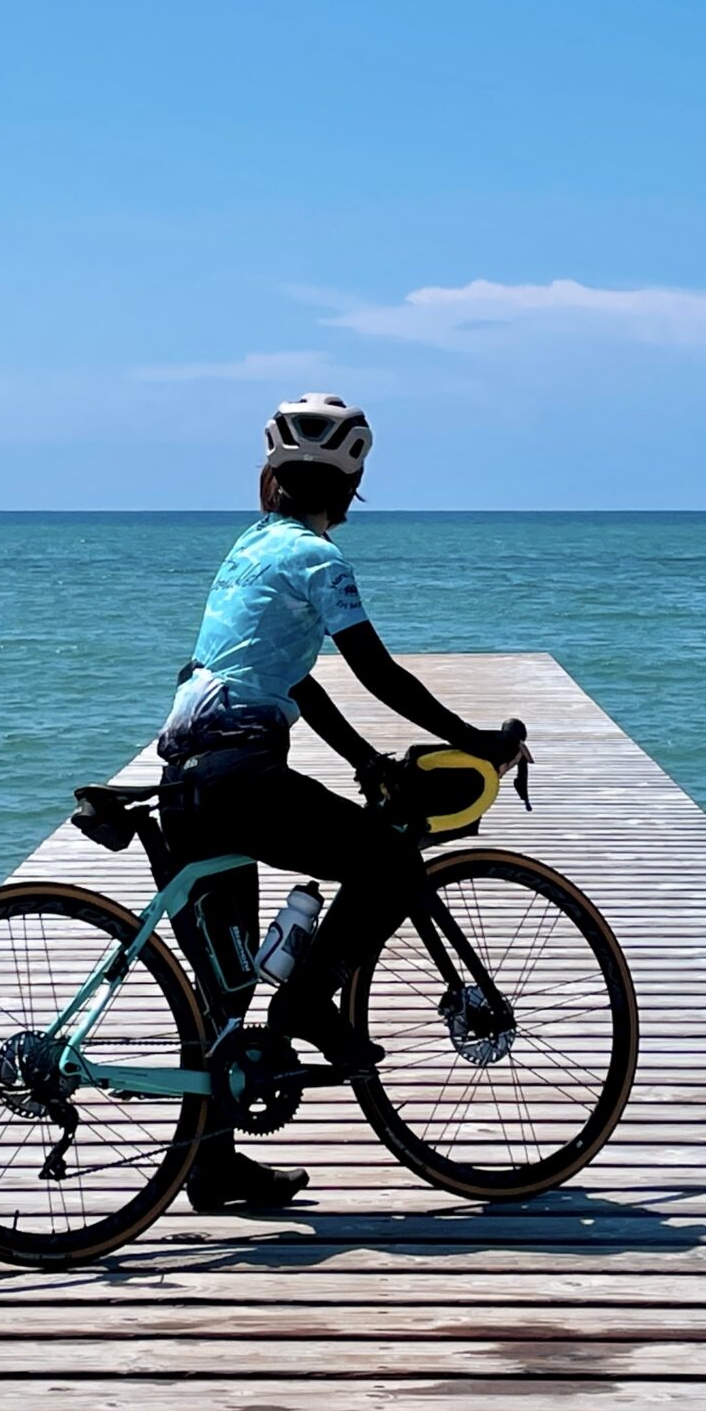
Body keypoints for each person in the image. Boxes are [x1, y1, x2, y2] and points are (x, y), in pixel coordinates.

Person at [157, 393, 524, 1212]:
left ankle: (211, 1168)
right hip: (240, 776)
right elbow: (376, 671)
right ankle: (312, 1002)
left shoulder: (250, 549)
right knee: (388, 860)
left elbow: (290, 679)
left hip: (187, 777)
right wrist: (480, 738)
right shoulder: (322, 563)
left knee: (221, 991)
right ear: (351, 486)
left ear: (270, 481)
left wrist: (364, 760)